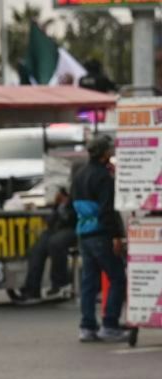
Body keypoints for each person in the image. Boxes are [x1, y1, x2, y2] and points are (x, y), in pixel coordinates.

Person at [71, 134, 128, 342]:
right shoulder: (104, 177)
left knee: (89, 282)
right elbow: (107, 211)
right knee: (118, 278)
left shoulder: (79, 174)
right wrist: (116, 236)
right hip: (101, 234)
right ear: (104, 153)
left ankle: (87, 327)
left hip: (83, 233)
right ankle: (110, 324)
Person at [16, 187, 77, 302]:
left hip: (72, 228)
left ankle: (59, 284)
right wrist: (55, 208)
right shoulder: (58, 204)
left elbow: (71, 218)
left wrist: (64, 206)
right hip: (57, 229)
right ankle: (32, 289)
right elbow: (51, 221)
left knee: (55, 243)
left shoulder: (74, 200)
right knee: (37, 249)